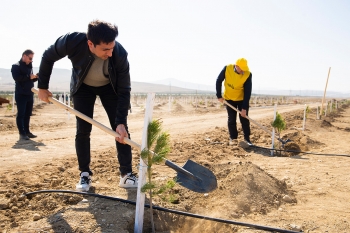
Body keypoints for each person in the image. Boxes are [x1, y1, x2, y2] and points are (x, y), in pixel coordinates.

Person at [37, 19, 137, 191]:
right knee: (83, 130)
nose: (110, 53)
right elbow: (48, 55)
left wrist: (120, 121)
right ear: (90, 43)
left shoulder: (120, 53)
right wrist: (42, 87)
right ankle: (85, 174)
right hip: (82, 87)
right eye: (105, 49)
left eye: (112, 47)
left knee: (121, 130)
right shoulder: (72, 41)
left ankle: (126, 174)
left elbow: (124, 89)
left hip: (109, 88)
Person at [216, 58, 252, 145]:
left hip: (242, 99)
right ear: (236, 66)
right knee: (231, 119)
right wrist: (219, 96)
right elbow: (219, 81)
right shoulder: (227, 69)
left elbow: (247, 92)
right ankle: (233, 138)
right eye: (241, 68)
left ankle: (247, 139)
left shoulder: (248, 74)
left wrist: (244, 108)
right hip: (229, 99)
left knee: (244, 118)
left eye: (244, 68)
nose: (243, 70)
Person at [11, 49, 38, 140]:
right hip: (21, 94)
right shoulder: (16, 66)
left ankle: (27, 132)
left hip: (30, 93)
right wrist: (29, 77)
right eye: (30, 58)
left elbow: (30, 79)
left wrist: (35, 77)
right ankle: (22, 133)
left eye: (32, 59)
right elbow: (17, 78)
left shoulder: (29, 66)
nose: (31, 60)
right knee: (21, 114)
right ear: (24, 56)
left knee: (28, 114)